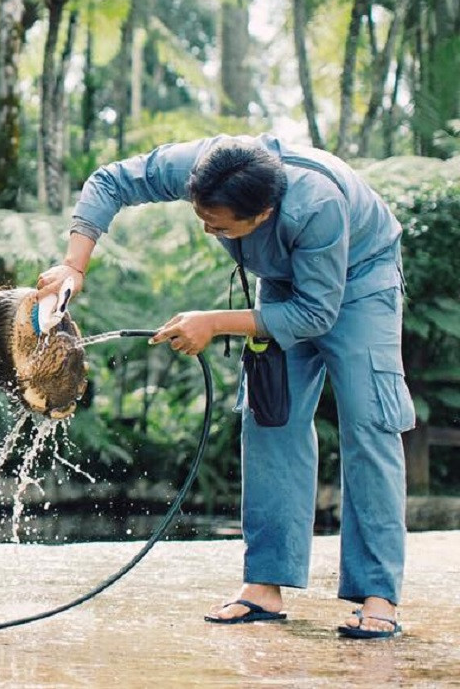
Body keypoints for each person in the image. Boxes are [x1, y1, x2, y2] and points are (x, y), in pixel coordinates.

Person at [37, 134, 412, 638]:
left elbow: (316, 313)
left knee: (370, 424)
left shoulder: (316, 205)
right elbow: (110, 181)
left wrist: (214, 322)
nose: (207, 229)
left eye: (218, 226)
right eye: (202, 217)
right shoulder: (210, 165)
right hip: (280, 287)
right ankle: (264, 586)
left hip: (361, 283)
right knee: (269, 418)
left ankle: (378, 594)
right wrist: (73, 265)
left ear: (262, 215)